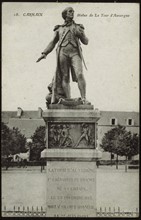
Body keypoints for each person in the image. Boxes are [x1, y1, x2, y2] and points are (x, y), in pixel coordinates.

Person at [36, 7, 89, 104]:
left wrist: (81, 35)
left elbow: (86, 42)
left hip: (75, 53)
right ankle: (68, 99)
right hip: (62, 53)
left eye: (73, 11)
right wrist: (44, 53)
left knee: (80, 74)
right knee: (65, 77)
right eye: (70, 11)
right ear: (65, 14)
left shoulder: (78, 27)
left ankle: (84, 98)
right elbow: (53, 42)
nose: (72, 13)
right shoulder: (59, 28)